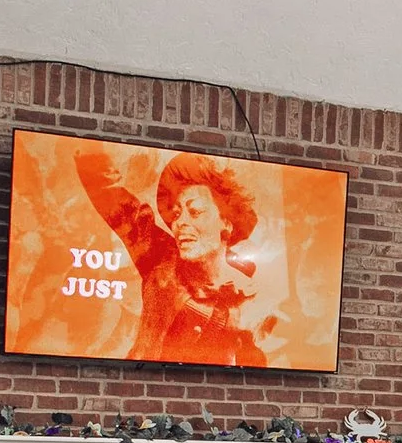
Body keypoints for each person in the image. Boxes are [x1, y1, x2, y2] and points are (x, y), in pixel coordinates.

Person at [75, 148, 270, 367]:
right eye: (176, 214)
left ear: (226, 223)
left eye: (195, 211)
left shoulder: (248, 297)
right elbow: (110, 195)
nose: (179, 223)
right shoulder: (162, 259)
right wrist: (89, 151)